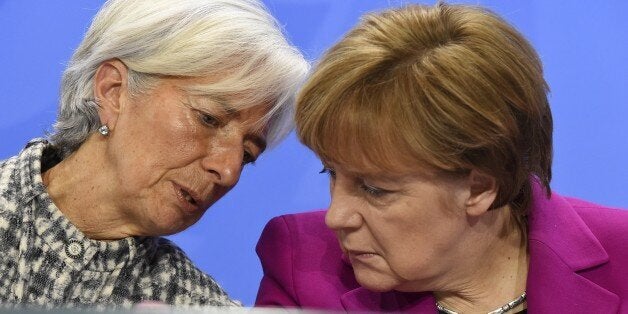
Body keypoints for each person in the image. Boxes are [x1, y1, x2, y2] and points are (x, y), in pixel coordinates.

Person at [255, 3, 628, 313]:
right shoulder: (300, 266)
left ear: (479, 187)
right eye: (332, 172)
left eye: (374, 189)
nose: (336, 216)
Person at [0, 0, 308, 308]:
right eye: (208, 119)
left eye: (247, 154)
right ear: (113, 91)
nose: (228, 170)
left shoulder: (192, 305)